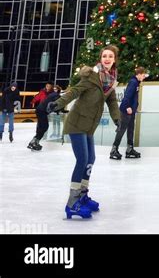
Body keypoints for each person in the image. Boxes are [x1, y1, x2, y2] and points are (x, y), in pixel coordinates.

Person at [47, 46, 121, 219]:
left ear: (114, 59)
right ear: (101, 58)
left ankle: (82, 195)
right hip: (77, 123)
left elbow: (112, 102)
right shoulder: (92, 76)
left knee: (91, 159)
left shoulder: (110, 80)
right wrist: (57, 103)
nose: (107, 58)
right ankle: (72, 203)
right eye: (104, 56)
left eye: (110, 56)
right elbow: (74, 91)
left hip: (89, 126)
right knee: (82, 160)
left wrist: (117, 118)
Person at [110, 66, 148, 160]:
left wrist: (135, 108)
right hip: (126, 111)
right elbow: (127, 95)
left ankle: (129, 149)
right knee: (122, 129)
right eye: (143, 75)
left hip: (132, 111)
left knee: (131, 129)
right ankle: (114, 150)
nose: (143, 77)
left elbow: (134, 98)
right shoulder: (133, 82)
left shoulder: (137, 83)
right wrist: (127, 107)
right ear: (138, 75)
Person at [27, 84, 62, 151]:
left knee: (42, 127)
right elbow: (55, 104)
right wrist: (59, 110)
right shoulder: (56, 95)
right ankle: (34, 142)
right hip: (41, 111)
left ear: (58, 90)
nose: (54, 90)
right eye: (54, 89)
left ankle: (35, 141)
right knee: (44, 126)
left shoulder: (51, 95)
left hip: (40, 110)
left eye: (56, 89)